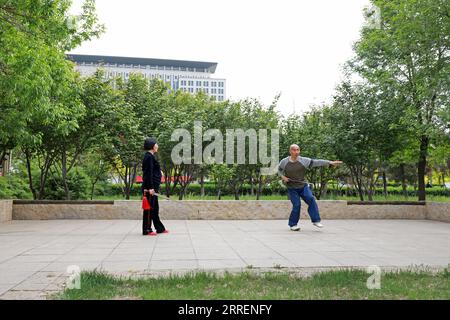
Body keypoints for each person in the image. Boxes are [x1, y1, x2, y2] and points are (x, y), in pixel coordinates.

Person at [277, 144, 342, 231]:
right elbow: (279, 170)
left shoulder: (304, 161)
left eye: (298, 150)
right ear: (290, 151)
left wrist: (329, 162)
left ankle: (316, 220)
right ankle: (293, 224)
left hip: (303, 186)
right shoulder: (284, 162)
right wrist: (283, 177)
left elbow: (316, 162)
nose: (296, 152)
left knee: (311, 199)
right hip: (292, 188)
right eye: (294, 150)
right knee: (297, 205)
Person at [142, 137, 168, 236]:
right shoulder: (148, 157)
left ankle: (159, 228)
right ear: (152, 145)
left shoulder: (151, 156)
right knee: (148, 209)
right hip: (150, 188)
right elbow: (148, 173)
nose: (157, 146)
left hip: (153, 188)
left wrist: (159, 171)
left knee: (155, 208)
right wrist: (150, 188)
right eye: (156, 144)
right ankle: (147, 229)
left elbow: (153, 170)